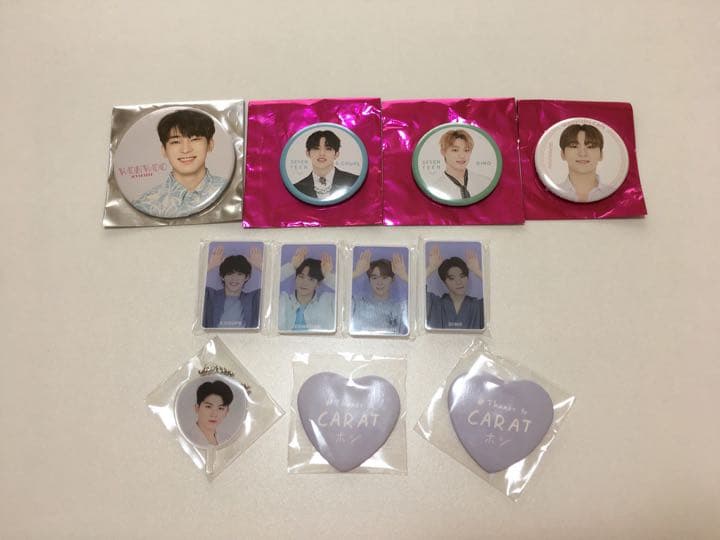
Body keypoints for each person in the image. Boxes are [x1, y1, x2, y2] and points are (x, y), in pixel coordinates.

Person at [133, 109, 229, 218]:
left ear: (210, 144)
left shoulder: (230, 192)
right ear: (164, 150)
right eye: (175, 142)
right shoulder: (144, 205)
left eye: (194, 139)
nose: (185, 149)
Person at [202, 245, 262, 328]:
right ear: (222, 276)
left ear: (247, 277)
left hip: (244, 336)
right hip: (214, 336)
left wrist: (261, 266)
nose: (234, 278)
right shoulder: (210, 295)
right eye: (230, 274)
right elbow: (190, 286)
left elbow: (275, 287)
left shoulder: (254, 298)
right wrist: (211, 265)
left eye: (239, 274)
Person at [350, 250, 409, 335]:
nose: (379, 282)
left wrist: (404, 276)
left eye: (384, 277)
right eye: (374, 278)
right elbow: (339, 290)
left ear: (392, 279)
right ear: (369, 280)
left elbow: (420, 296)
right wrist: (356, 272)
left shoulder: (400, 307)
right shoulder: (357, 304)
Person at [426, 245, 484, 329]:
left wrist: (477, 271)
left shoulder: (478, 306)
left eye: (462, 276)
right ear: (444, 281)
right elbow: (415, 291)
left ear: (467, 277)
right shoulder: (434, 304)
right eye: (452, 278)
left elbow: (497, 294)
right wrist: (430, 268)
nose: (459, 282)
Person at [278, 247, 335, 331]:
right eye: (301, 277)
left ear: (318, 284)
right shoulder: (283, 300)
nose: (304, 283)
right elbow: (269, 285)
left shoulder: (328, 301)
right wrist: (291, 266)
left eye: (311, 279)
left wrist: (328, 276)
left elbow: (346, 295)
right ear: (295, 278)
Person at [426, 129, 492, 201]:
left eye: (466, 150)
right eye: (455, 150)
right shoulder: (436, 189)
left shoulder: (485, 182)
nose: (462, 156)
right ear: (443, 152)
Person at [292, 130, 358, 200]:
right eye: (316, 148)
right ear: (308, 153)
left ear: (336, 154)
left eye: (328, 149)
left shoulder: (354, 181)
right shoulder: (297, 187)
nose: (322, 153)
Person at [557, 124, 612, 202]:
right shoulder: (552, 194)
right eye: (574, 146)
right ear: (563, 154)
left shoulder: (614, 194)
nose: (582, 153)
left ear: (601, 155)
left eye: (590, 146)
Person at [189, 380, 234, 447]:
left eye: (220, 408)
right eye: (208, 407)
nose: (214, 414)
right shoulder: (188, 438)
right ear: (197, 408)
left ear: (227, 411)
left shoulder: (227, 440)